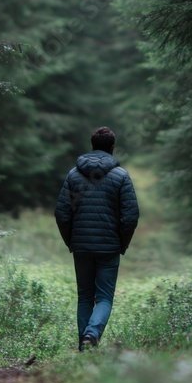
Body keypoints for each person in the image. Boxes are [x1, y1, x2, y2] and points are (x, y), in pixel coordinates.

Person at [54, 126, 139, 351]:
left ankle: (85, 348)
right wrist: (121, 243)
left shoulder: (74, 175)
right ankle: (92, 335)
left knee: (84, 297)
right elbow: (130, 217)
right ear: (112, 147)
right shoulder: (121, 176)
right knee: (104, 298)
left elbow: (62, 214)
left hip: (81, 247)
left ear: (92, 146)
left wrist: (71, 241)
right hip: (109, 248)